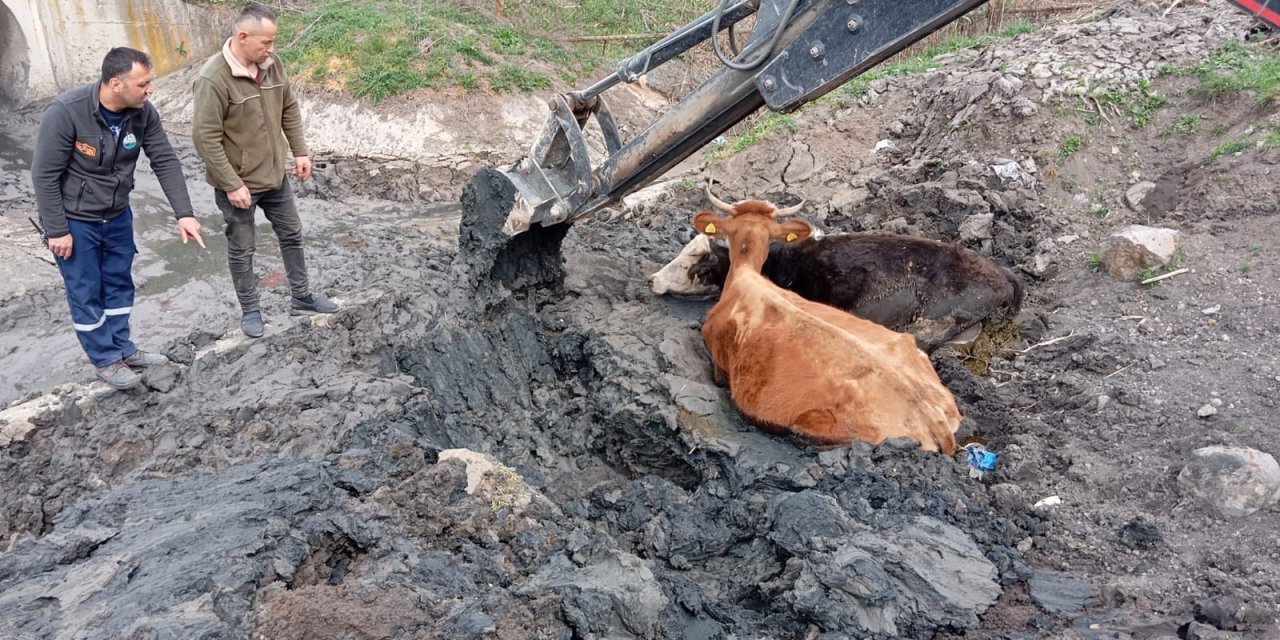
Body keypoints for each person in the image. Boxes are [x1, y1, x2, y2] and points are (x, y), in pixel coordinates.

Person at [32, 47, 205, 391]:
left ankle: (122, 347)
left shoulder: (142, 113)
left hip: (117, 215)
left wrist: (184, 213)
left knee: (119, 283)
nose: (150, 89)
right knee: (86, 289)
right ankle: (104, 359)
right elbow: (44, 175)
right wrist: (57, 230)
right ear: (115, 84)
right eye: (143, 84)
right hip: (75, 220)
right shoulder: (66, 112)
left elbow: (165, 160)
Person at [192, 3, 338, 339]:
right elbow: (205, 138)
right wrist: (231, 184)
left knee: (292, 233)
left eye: (273, 42)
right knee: (243, 248)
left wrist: (299, 150)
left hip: (274, 177)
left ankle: (301, 297)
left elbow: (288, 106)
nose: (272, 49)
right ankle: (251, 311)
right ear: (243, 37)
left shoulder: (272, 66)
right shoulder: (213, 79)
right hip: (238, 185)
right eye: (266, 43)